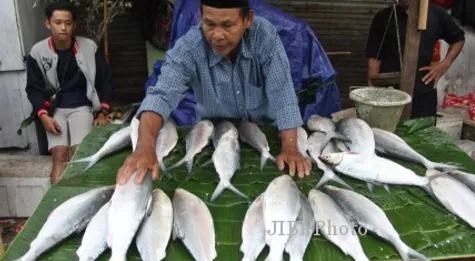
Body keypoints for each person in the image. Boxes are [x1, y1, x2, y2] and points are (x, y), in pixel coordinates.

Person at [116, 0, 312, 185]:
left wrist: (290, 147)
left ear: (248, 19)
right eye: (209, 24)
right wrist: (144, 147)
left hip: (265, 132)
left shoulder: (264, 37)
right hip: (214, 136)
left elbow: (282, 91)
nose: (217, 35)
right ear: (201, 14)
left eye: (228, 25)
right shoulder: (190, 47)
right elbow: (161, 96)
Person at [26, 1, 113, 184]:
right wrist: (43, 116)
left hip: (81, 107)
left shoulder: (89, 46)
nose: (63, 28)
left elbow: (104, 80)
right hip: (54, 110)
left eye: (67, 23)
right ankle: (56, 204)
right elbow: (34, 88)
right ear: (48, 24)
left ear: (74, 25)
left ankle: (79, 200)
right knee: (59, 155)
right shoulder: (38, 52)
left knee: (78, 153)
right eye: (57, 23)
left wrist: (102, 112)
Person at [366, 0, 465, 119]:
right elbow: (374, 58)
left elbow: (458, 39)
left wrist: (445, 64)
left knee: (422, 134)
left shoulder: (436, 14)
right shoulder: (383, 17)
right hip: (390, 92)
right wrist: (372, 92)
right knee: (389, 134)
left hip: (423, 91)